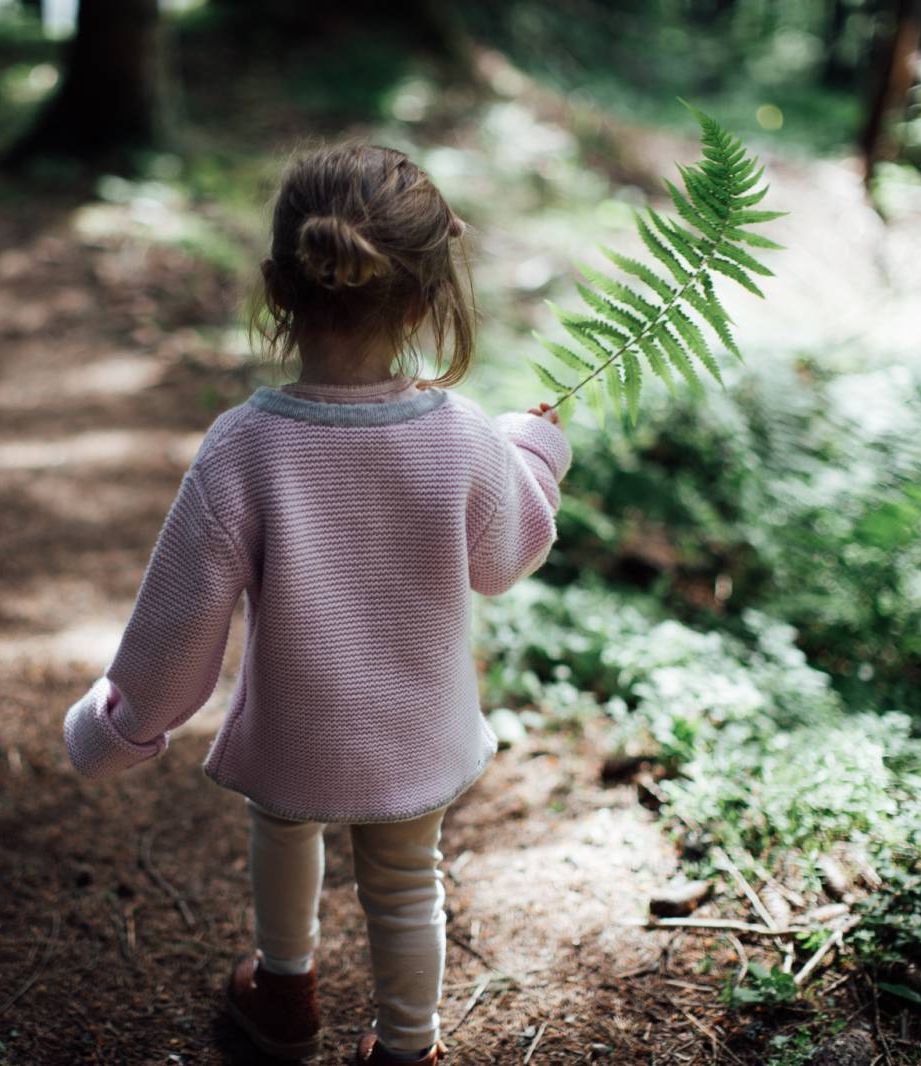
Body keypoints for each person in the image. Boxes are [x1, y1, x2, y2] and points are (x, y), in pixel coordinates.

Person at [62, 142, 571, 1064]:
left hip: (296, 726)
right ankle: (409, 1047)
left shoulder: (244, 447)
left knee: (283, 830)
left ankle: (284, 996)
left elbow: (180, 625)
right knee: (407, 884)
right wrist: (532, 454)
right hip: (417, 731)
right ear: (424, 301)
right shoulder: (462, 436)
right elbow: (507, 559)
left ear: (278, 290)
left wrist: (122, 724)